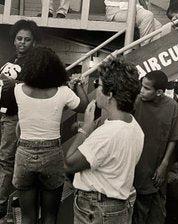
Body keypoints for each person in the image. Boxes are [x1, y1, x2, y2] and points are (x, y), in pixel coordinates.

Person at [12, 46, 88, 224]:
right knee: (50, 216)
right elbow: (84, 106)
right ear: (55, 68)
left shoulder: (18, 90)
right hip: (52, 154)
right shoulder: (64, 92)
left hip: (24, 152)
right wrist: (78, 85)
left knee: (28, 218)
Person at [65, 58, 144, 224]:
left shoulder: (108, 134)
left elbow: (69, 164)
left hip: (96, 208)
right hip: (119, 205)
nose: (95, 89)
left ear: (110, 94)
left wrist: (85, 128)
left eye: (97, 85)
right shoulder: (134, 125)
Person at [0, 19, 41, 220]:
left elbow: (34, 88)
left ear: (34, 42)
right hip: (3, 113)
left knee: (6, 158)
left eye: (27, 39)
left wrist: (14, 83)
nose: (22, 42)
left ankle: (0, 201)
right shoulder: (12, 59)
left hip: (15, 116)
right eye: (19, 38)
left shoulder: (34, 63)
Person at [132, 70, 178, 224]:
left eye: (147, 88)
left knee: (158, 214)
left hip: (158, 170)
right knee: (139, 213)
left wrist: (164, 164)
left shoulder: (172, 106)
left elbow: (173, 137)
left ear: (159, 92)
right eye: (142, 86)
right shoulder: (135, 102)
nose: (141, 91)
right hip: (137, 168)